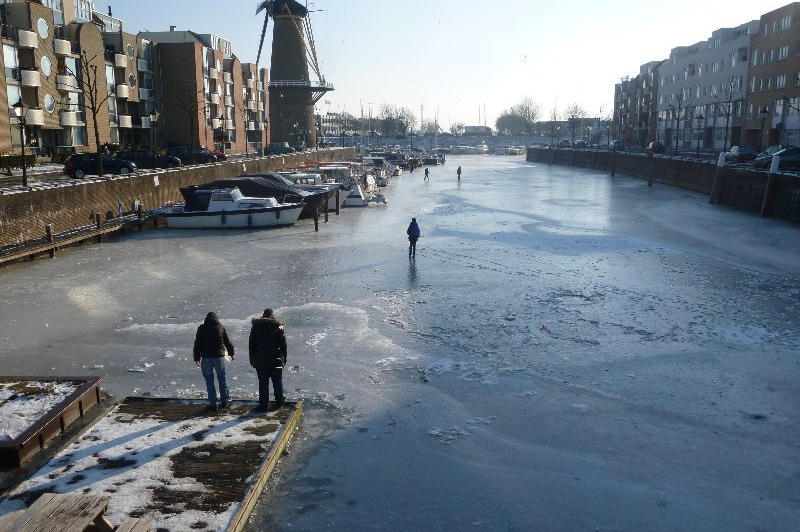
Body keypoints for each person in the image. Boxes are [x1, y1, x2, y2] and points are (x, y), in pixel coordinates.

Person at [193, 312, 234, 412]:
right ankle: (225, 401)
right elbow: (227, 342)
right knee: (222, 378)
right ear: (216, 319)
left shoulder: (201, 328)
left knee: (209, 381)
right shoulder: (220, 327)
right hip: (219, 357)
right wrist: (231, 354)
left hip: (206, 358)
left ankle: (213, 404)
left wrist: (197, 358)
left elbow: (197, 344)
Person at [249, 309, 288, 412]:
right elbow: (283, 344)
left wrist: (252, 359)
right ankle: (279, 402)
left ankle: (263, 405)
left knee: (263, 383)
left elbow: (251, 344)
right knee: (277, 382)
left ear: (263, 315)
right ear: (272, 315)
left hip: (260, 360)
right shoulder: (278, 325)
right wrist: (284, 358)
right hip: (276, 359)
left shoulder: (256, 326)